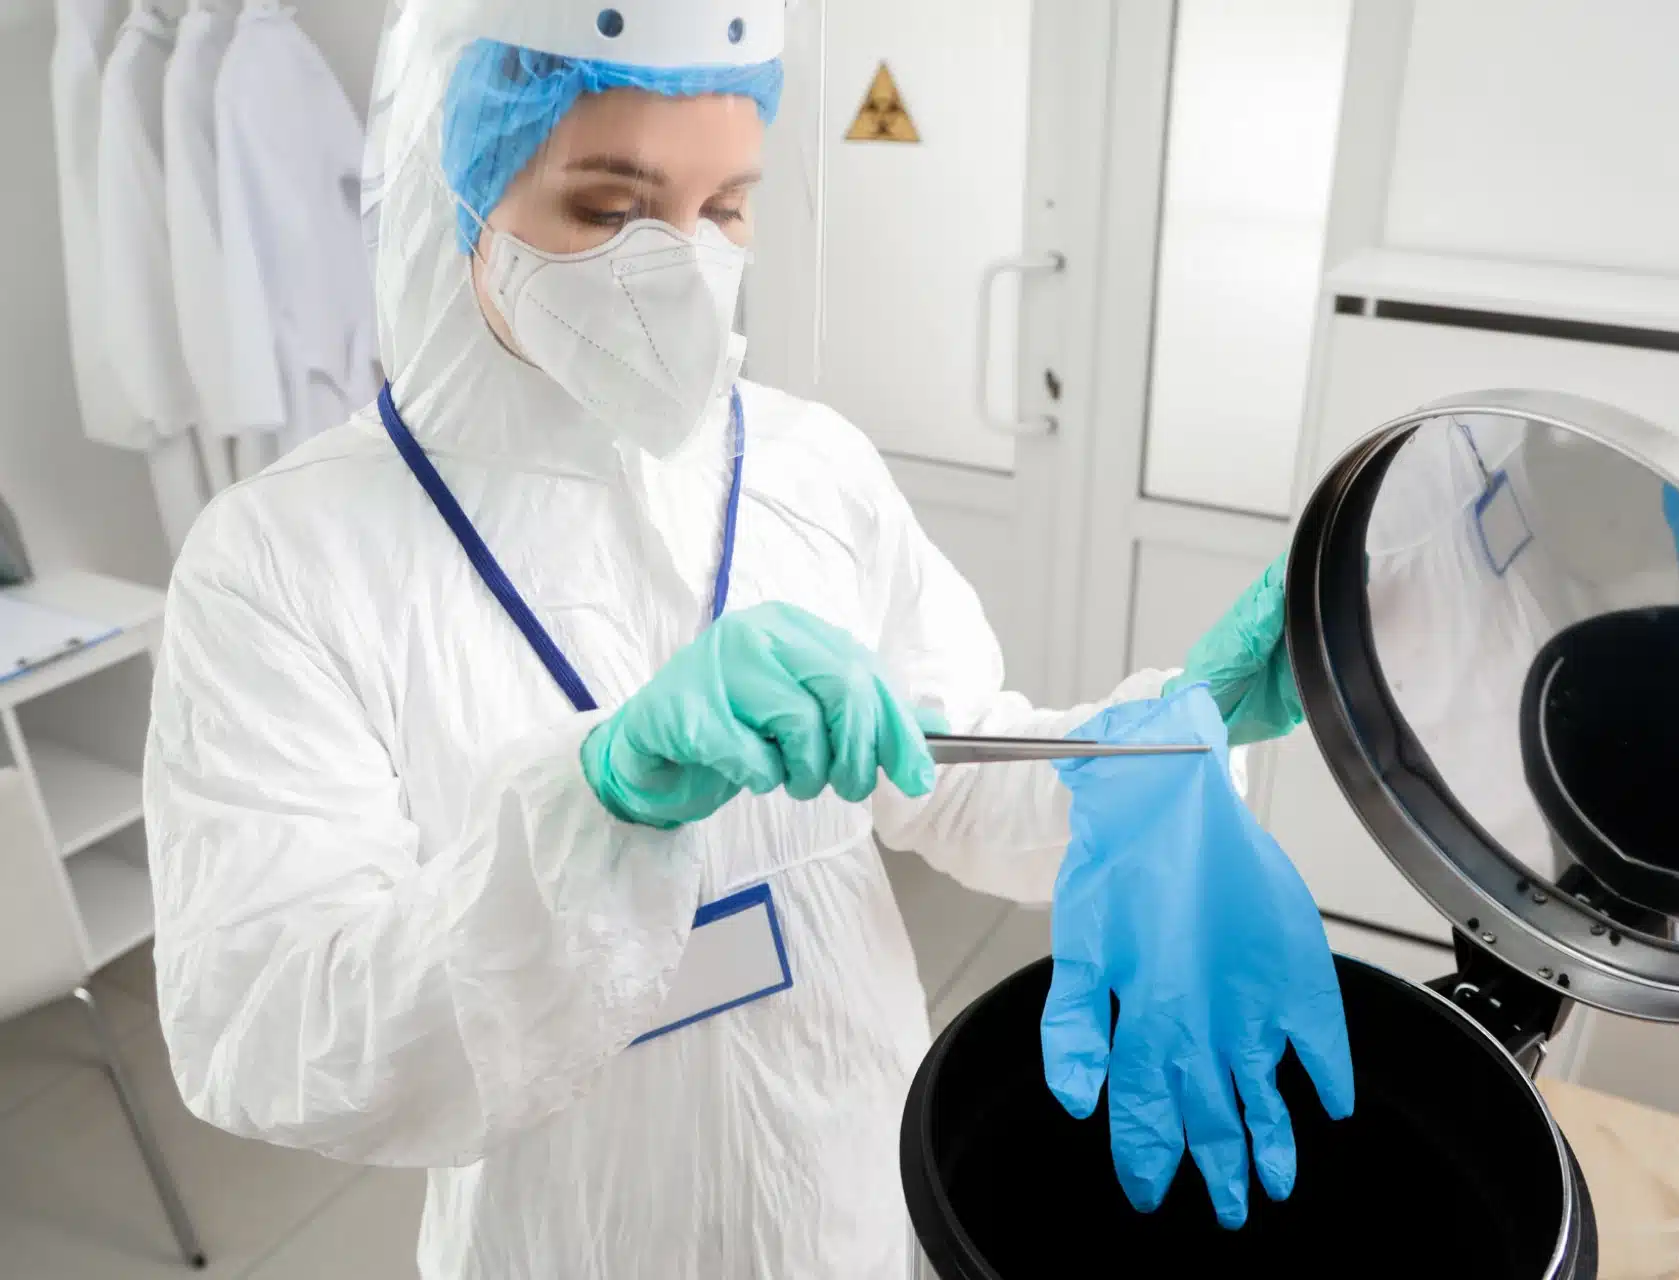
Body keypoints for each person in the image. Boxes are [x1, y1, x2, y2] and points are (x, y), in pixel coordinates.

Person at [142, 3, 1301, 1275]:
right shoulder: (283, 560)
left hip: (846, 1177)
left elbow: (947, 769)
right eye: (608, 209)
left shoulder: (811, 467)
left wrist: (1156, 738)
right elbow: (269, 1023)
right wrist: (597, 807)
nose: (684, 264)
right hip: (570, 1233)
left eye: (727, 206)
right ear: (448, 185)